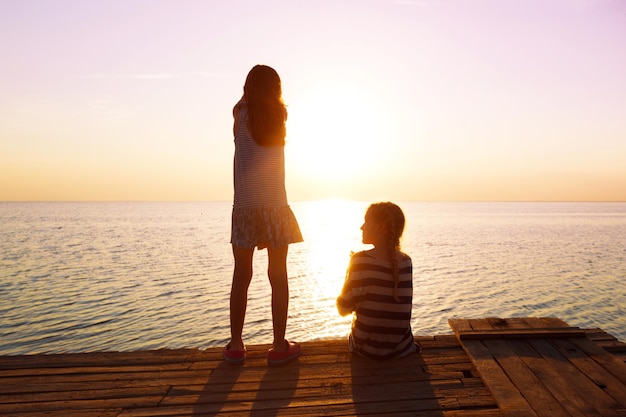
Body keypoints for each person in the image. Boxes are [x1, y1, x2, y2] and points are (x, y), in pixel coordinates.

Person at [224, 65, 303, 365]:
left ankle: (235, 345)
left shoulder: (239, 112)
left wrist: (247, 95)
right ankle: (279, 346)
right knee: (278, 276)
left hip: (244, 205)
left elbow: (242, 108)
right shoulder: (280, 116)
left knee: (241, 276)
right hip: (274, 206)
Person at [336, 202, 419, 359]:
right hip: (402, 350)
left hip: (367, 351)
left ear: (381, 228)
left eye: (366, 221)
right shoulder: (406, 262)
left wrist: (352, 274)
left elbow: (343, 308)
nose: (362, 227)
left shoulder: (359, 260)